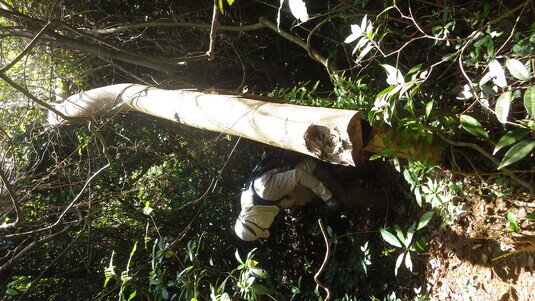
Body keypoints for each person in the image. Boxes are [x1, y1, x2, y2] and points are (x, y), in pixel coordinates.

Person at [234, 151, 385, 241]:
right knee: (337, 181)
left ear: (255, 220)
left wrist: (327, 197)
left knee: (345, 199)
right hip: (305, 185)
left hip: (308, 170)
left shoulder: (264, 192)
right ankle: (370, 168)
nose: (267, 226)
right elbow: (280, 197)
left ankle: (387, 201)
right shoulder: (249, 202)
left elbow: (298, 175)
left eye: (263, 227)